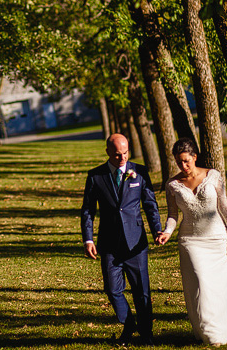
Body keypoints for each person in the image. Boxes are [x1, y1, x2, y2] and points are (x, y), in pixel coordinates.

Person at [156, 138, 227, 346]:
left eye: (186, 161)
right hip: (191, 240)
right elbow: (173, 214)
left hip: (217, 238)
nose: (183, 166)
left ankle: (224, 324)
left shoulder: (213, 176)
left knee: (219, 285)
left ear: (194, 157)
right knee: (200, 281)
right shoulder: (172, 185)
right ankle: (210, 332)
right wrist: (167, 232)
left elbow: (224, 208)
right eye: (179, 162)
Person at [81, 133, 162, 345]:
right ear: (108, 152)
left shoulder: (140, 172)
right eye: (117, 154)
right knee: (112, 289)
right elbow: (88, 211)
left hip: (136, 243)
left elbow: (150, 205)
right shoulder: (95, 176)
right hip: (109, 243)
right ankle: (128, 323)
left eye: (125, 153)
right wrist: (88, 240)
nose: (122, 158)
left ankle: (146, 335)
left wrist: (157, 231)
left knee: (141, 291)